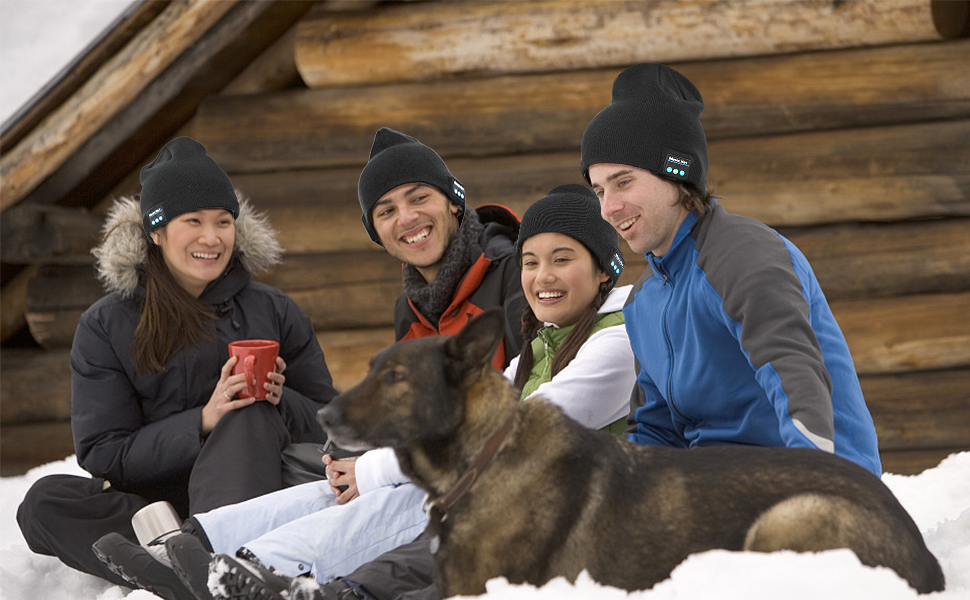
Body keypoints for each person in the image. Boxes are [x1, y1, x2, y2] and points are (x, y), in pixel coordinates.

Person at [201, 184, 638, 600]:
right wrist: (367, 467)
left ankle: (265, 566)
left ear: (603, 269)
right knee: (341, 486)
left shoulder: (618, 341)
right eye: (531, 262)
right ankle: (204, 540)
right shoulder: (543, 340)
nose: (543, 276)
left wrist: (376, 469)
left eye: (562, 260)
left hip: (560, 509)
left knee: (406, 491)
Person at [15, 137, 338, 600]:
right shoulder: (107, 324)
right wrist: (203, 422)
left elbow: (331, 424)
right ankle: (194, 564)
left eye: (223, 222)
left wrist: (279, 400)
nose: (212, 237)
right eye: (194, 221)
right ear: (156, 231)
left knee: (249, 414)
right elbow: (103, 452)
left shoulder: (275, 310)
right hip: (156, 506)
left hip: (255, 488)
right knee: (45, 503)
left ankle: (196, 564)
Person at [580, 62, 881, 475]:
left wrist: (818, 498)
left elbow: (797, 383)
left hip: (812, 486)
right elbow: (656, 433)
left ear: (676, 174)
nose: (608, 208)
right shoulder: (645, 300)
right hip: (718, 492)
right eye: (599, 191)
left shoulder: (742, 255)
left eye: (623, 182)